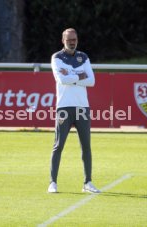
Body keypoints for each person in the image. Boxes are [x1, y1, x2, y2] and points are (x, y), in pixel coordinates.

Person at [48, 28, 100, 193]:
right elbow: (61, 79)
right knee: (58, 145)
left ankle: (88, 182)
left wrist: (72, 77)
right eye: (69, 39)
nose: (72, 42)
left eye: (74, 39)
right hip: (64, 107)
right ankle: (52, 183)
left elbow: (92, 81)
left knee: (86, 146)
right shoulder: (56, 57)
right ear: (63, 40)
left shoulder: (83, 57)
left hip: (82, 107)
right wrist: (80, 76)